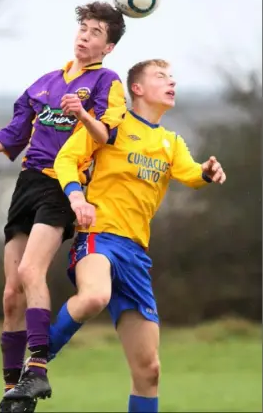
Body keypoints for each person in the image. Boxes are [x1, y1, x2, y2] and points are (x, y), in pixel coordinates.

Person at [0, 1, 127, 412]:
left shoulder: (107, 81)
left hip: (62, 187)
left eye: (95, 33)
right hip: (27, 184)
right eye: (84, 28)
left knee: (30, 270)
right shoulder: (44, 83)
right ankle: (11, 393)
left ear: (108, 47)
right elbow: (10, 136)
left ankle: (37, 368)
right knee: (9, 294)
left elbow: (106, 135)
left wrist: (83, 115)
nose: (85, 36)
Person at [20, 58, 226, 413]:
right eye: (161, 77)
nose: (171, 82)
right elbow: (67, 159)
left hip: (135, 254)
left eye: (172, 77)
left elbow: (191, 174)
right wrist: (76, 195)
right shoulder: (111, 125)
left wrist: (207, 172)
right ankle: (35, 366)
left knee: (149, 372)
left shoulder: (170, 142)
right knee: (95, 295)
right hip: (99, 236)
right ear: (137, 88)